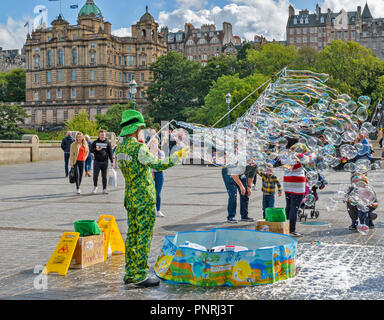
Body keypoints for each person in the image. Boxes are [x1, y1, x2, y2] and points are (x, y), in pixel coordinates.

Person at [115, 110, 189, 287]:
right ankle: (140, 274)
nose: (141, 130)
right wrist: (177, 156)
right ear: (136, 129)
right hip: (144, 198)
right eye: (140, 128)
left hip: (130, 197)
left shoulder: (120, 148)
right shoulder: (139, 148)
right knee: (144, 236)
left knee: (132, 235)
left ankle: (130, 272)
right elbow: (157, 164)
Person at [281, 143, 312, 237]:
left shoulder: (285, 156)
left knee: (289, 206)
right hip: (298, 183)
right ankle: (292, 230)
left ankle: (286, 228)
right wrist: (308, 152)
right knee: (294, 208)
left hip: (287, 182)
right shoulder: (300, 156)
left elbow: (284, 165)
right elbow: (309, 159)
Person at [91, 129, 114, 194]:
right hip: (97, 162)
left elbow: (110, 152)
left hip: (105, 162)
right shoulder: (95, 142)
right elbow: (91, 150)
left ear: (105, 135)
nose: (102, 136)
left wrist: (112, 161)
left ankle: (104, 189)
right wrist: (96, 149)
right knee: (95, 175)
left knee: (104, 176)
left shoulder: (107, 142)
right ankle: (95, 187)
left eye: (103, 135)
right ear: (99, 135)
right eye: (101, 135)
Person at [148, 135, 166, 218]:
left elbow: (161, 164)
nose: (154, 144)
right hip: (150, 173)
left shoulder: (161, 153)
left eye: (155, 143)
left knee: (157, 193)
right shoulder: (147, 152)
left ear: (158, 143)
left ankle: (158, 210)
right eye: (152, 142)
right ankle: (148, 210)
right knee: (148, 192)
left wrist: (156, 156)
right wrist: (151, 172)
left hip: (159, 173)